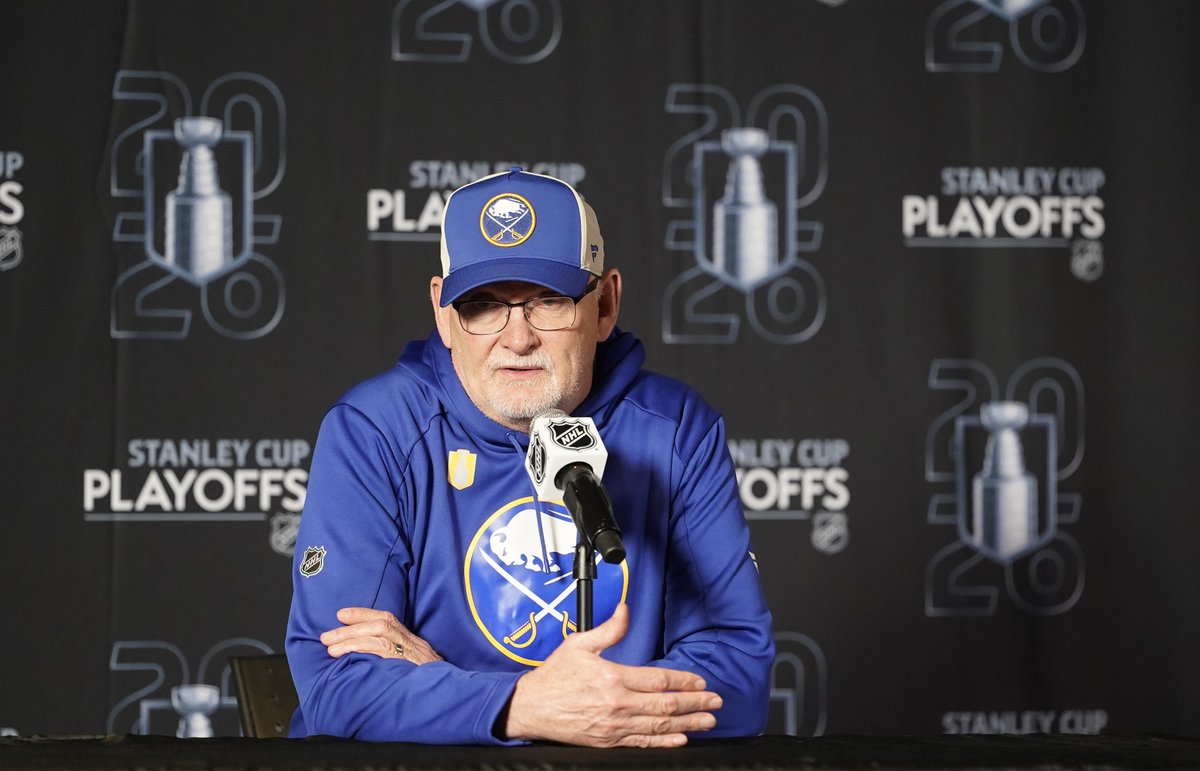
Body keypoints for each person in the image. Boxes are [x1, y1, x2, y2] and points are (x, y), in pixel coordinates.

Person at [285, 167, 774, 747]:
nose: (518, 339)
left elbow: (738, 677)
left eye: (548, 301)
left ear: (605, 304)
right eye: (484, 306)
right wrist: (525, 706)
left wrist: (455, 687)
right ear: (444, 313)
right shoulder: (376, 431)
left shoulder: (675, 431)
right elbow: (337, 686)